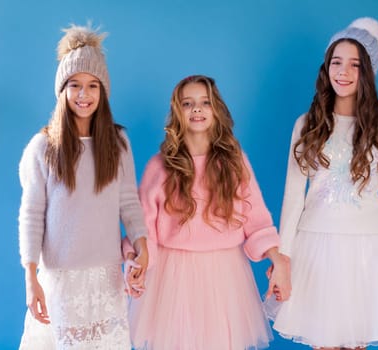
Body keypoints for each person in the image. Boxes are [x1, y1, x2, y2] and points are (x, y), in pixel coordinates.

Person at [267, 17, 378, 349]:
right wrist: (283, 259)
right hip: (316, 244)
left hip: (369, 248)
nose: (343, 72)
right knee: (323, 339)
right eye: (336, 62)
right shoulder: (308, 124)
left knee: (356, 341)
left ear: (368, 72)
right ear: (326, 67)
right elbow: (293, 195)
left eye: (355, 64)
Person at [124, 75, 291, 350]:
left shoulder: (234, 162)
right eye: (188, 103)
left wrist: (278, 261)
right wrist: (137, 263)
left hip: (224, 275)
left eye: (205, 102)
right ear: (178, 112)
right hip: (172, 275)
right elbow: (143, 228)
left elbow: (256, 218)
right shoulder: (160, 166)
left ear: (216, 110)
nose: (197, 109)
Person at [17, 24, 148, 349]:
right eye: (74, 85)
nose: (83, 94)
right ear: (62, 90)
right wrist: (31, 277)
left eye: (92, 86)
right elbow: (31, 215)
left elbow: (129, 201)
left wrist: (142, 245)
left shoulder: (118, 143)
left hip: (105, 278)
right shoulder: (43, 147)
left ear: (103, 91)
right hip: (60, 278)